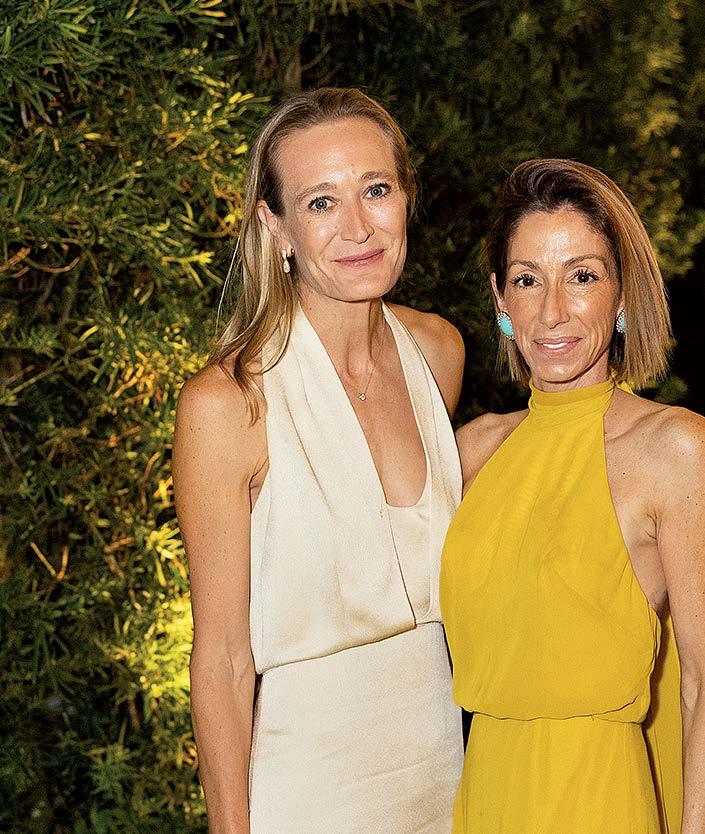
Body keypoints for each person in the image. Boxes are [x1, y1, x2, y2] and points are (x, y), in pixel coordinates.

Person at [173, 88, 465, 833]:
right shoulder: (228, 403)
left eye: (376, 190)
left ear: (406, 197)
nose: (358, 227)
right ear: (276, 226)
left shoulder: (438, 353)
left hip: (450, 781)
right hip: (307, 795)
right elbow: (222, 659)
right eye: (321, 202)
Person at [440, 159, 705, 833]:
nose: (552, 312)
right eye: (527, 280)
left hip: (597, 800)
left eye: (582, 276)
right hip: (482, 797)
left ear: (622, 293)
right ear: (500, 300)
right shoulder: (470, 451)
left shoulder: (677, 448)